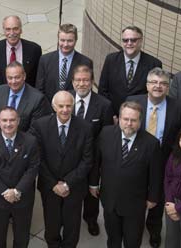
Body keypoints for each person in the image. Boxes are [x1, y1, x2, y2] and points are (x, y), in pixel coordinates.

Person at [126, 68, 181, 247]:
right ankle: (134, 226)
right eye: (154, 82)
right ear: (147, 85)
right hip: (134, 159)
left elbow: (180, 137)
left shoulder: (180, 108)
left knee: (158, 198)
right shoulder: (132, 102)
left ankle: (154, 230)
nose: (158, 86)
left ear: (168, 87)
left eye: (163, 83)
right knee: (134, 195)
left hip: (163, 162)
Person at [89, 101, 163, 248]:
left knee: (132, 241)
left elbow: (156, 174)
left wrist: (153, 197)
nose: (129, 123)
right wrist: (93, 183)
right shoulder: (106, 133)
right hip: (110, 200)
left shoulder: (151, 143)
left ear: (140, 121)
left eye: (133, 120)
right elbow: (96, 161)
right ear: (119, 119)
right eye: (125, 119)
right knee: (113, 239)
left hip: (135, 204)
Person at [30, 91, 93, 248]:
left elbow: (87, 160)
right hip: (49, 187)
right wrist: (54, 184)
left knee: (72, 228)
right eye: (61, 106)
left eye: (68, 106)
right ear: (53, 106)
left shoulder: (85, 127)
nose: (65, 109)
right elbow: (38, 159)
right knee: (52, 226)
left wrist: (67, 184)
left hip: (75, 187)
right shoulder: (40, 125)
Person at [0, 107, 39, 248]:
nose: (8, 124)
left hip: (23, 198)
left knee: (22, 234)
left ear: (18, 121)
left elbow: (33, 168)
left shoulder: (30, 141)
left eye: (12, 120)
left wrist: (17, 191)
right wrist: (5, 192)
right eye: (4, 120)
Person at [70, 65, 113, 236]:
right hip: (68, 158)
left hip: (92, 159)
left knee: (91, 193)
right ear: (72, 82)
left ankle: (91, 219)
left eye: (86, 80)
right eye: (78, 80)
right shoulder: (65, 99)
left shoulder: (104, 105)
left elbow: (107, 135)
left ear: (92, 82)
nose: (82, 84)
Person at [98, 26, 162, 117]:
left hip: (140, 118)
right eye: (125, 40)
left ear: (141, 41)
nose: (129, 43)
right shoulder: (111, 60)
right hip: (113, 117)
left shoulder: (154, 64)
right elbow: (103, 90)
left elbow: (154, 95)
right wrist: (110, 115)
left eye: (133, 40)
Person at [0, 61, 51, 134]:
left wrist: (15, 143)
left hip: (24, 143)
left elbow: (35, 129)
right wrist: (2, 140)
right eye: (10, 78)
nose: (13, 81)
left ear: (24, 76)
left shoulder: (37, 98)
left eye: (17, 77)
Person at [36, 23, 93, 101]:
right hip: (49, 109)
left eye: (70, 41)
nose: (65, 44)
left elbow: (86, 90)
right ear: (58, 39)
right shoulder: (45, 60)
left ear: (76, 40)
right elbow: (39, 89)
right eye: (62, 40)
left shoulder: (85, 62)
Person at [0, 15, 41, 86]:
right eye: (8, 29)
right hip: (1, 95)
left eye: (15, 29)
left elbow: (38, 79)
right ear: (4, 31)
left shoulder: (34, 50)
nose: (12, 33)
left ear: (21, 30)